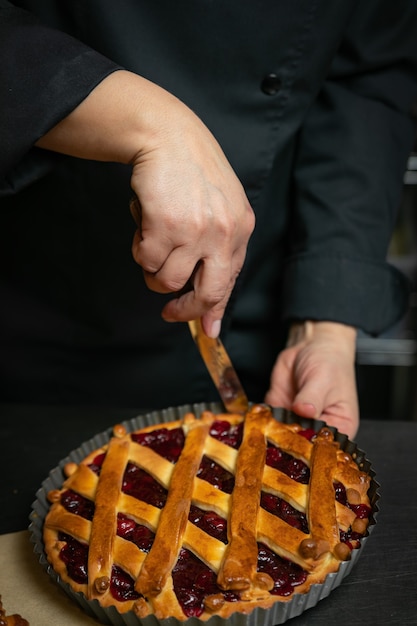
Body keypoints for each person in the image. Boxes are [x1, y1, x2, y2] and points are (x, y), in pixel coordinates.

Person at [1, 1, 416, 439]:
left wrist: (325, 325)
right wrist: (150, 126)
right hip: (46, 301)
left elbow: (369, 72)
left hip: (270, 289)